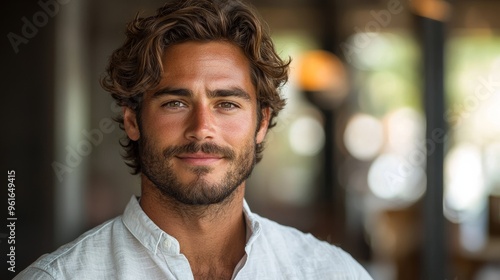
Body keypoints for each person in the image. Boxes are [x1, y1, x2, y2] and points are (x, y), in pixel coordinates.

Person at [16, 0, 373, 279]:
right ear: (132, 121)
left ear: (261, 123)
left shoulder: (333, 273)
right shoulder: (60, 276)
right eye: (175, 102)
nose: (201, 128)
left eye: (227, 104)